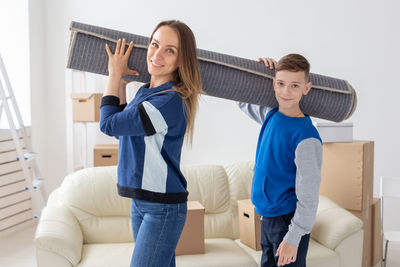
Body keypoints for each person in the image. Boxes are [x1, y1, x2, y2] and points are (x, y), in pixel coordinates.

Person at [99, 20, 202, 267]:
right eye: (154, 44)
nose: (156, 54)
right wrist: (121, 85)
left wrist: (113, 75)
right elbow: (121, 130)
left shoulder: (169, 101)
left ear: (181, 59)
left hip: (162, 207)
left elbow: (108, 124)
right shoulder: (147, 92)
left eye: (170, 50)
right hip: (144, 202)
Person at [238, 54, 322, 267]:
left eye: (294, 85)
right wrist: (257, 69)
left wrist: (293, 238)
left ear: (306, 88)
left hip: (289, 222)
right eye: (281, 83)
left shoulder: (306, 137)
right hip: (268, 218)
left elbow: (309, 195)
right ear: (273, 84)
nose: (285, 91)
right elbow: (240, 99)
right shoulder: (270, 115)